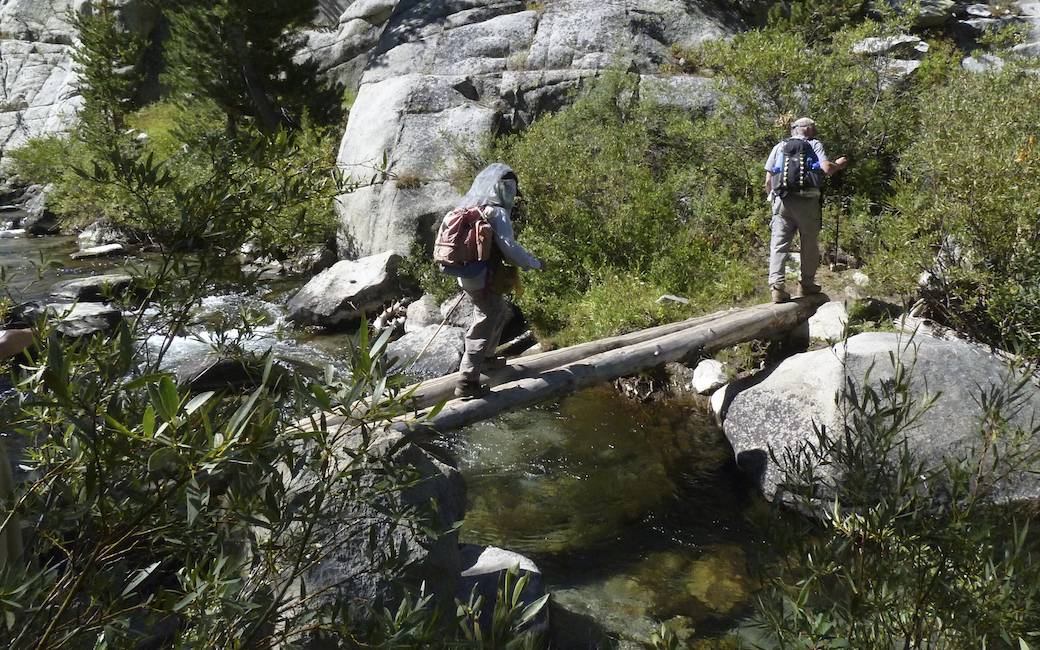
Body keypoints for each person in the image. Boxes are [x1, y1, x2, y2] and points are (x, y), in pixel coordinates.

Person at [451, 163, 543, 398]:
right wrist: (535, 263)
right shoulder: (495, 212)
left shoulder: (471, 206)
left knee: (499, 311)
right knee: (485, 322)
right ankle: (466, 382)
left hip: (469, 274)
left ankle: (489, 359)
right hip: (483, 277)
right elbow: (510, 249)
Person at [763, 117, 848, 303]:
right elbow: (826, 168)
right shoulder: (814, 144)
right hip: (808, 201)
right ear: (808, 129)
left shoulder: (780, 146)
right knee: (809, 243)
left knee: (779, 243)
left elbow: (768, 179)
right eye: (813, 127)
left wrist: (773, 200)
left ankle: (777, 287)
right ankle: (806, 285)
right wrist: (839, 165)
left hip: (783, 201)